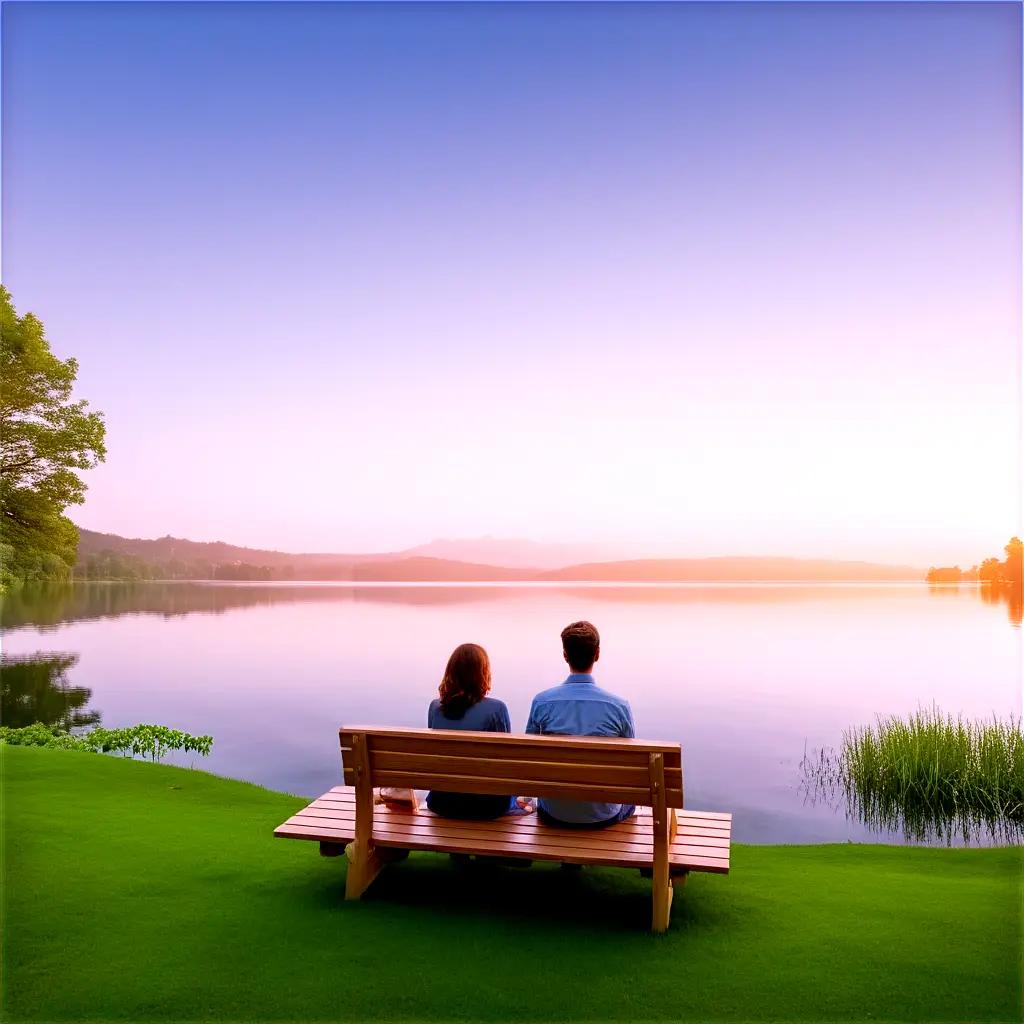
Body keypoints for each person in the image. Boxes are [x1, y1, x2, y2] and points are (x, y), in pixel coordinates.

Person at [525, 620, 636, 828]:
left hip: (554, 812)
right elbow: (630, 766)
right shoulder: (619, 707)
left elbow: (530, 758)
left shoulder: (542, 702)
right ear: (597, 654)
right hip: (603, 816)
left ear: (565, 655)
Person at [426, 642, 517, 820]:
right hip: (487, 807)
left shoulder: (435, 707)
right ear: (483, 673)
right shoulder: (496, 709)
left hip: (442, 803)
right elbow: (505, 762)